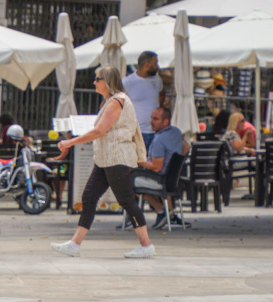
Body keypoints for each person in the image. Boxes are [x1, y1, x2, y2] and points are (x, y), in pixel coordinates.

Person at [52, 65, 156, 259]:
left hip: (116, 158)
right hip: (106, 159)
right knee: (89, 197)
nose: (94, 82)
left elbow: (99, 130)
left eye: (97, 79)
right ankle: (75, 244)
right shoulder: (111, 101)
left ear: (106, 81)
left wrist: (70, 142)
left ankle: (146, 245)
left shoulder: (117, 101)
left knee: (126, 200)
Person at [131, 107, 190, 229]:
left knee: (126, 182)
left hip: (160, 180)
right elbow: (186, 148)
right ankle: (169, 213)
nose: (151, 122)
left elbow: (156, 167)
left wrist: (138, 161)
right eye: (151, 118)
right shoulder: (176, 132)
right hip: (172, 179)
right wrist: (176, 164)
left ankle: (161, 210)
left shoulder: (159, 140)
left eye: (156, 119)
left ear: (165, 122)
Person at [123, 51, 164, 151]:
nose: (157, 66)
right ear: (147, 64)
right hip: (137, 132)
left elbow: (162, 95)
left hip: (156, 131)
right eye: (155, 63)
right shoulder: (127, 82)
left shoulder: (157, 79)